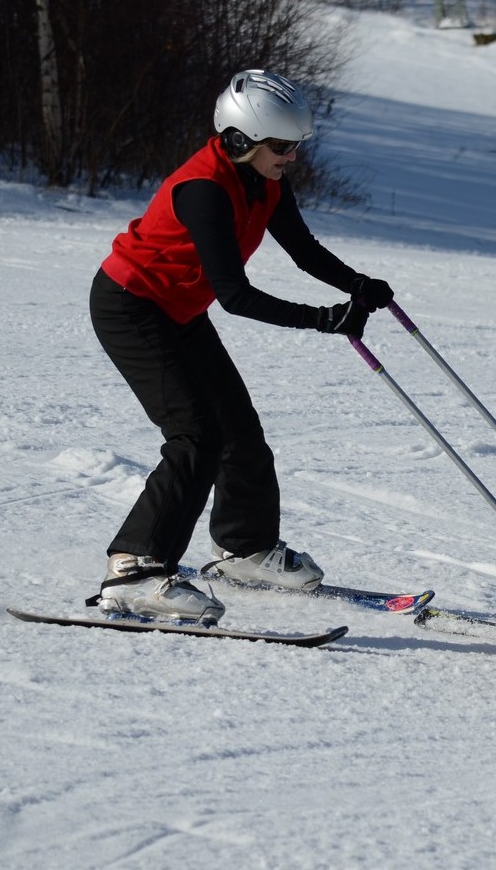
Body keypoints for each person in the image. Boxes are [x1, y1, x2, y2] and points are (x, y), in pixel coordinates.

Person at [87, 69, 394, 624]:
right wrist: (323, 319)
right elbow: (234, 295)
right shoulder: (204, 190)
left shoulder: (265, 179)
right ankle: (134, 569)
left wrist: (357, 285)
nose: (292, 157)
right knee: (195, 436)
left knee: (238, 426)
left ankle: (245, 550)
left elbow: (302, 249)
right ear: (238, 141)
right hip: (131, 306)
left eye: (296, 146)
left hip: (177, 309)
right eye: (281, 147)